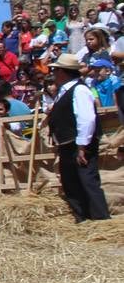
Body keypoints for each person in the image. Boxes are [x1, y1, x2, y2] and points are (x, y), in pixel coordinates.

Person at [47, 53, 110, 222]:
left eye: (56, 70)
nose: (53, 74)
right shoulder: (65, 91)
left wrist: (82, 146)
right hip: (69, 144)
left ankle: (100, 219)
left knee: (87, 181)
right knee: (71, 182)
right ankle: (83, 219)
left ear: (63, 72)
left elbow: (87, 118)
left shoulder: (80, 90)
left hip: (79, 144)